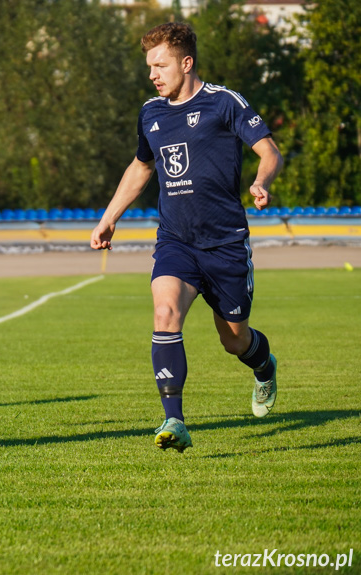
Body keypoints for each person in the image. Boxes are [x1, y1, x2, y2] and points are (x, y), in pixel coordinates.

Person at [90, 23, 283, 453]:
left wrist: (262, 182)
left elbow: (269, 150)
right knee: (165, 313)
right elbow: (142, 167)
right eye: (149, 67)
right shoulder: (151, 113)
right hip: (176, 241)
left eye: (161, 65)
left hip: (226, 244)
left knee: (234, 339)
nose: (153, 75)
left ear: (187, 62)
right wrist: (108, 219)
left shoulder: (223, 103)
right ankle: (174, 420)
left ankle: (264, 365)